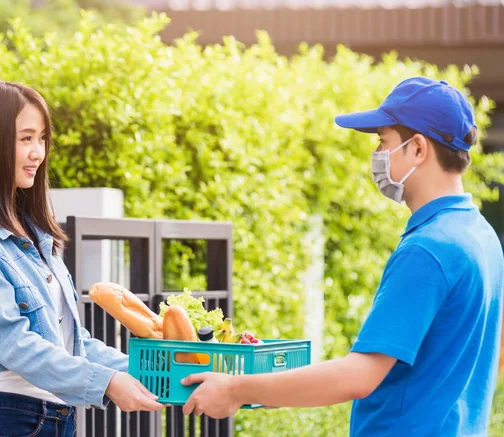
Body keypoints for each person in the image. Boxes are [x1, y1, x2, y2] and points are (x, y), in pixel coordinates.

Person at [181, 77, 504, 436]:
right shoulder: (480, 235)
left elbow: (359, 376)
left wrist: (235, 389)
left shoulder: (429, 249)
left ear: (417, 149)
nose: (377, 154)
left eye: (383, 141)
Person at [0, 81, 163, 437]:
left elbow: (74, 343)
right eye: (25, 138)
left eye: (41, 138)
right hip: (2, 417)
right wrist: (106, 383)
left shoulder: (35, 231)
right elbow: (11, 341)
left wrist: (158, 372)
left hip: (56, 417)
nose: (38, 153)